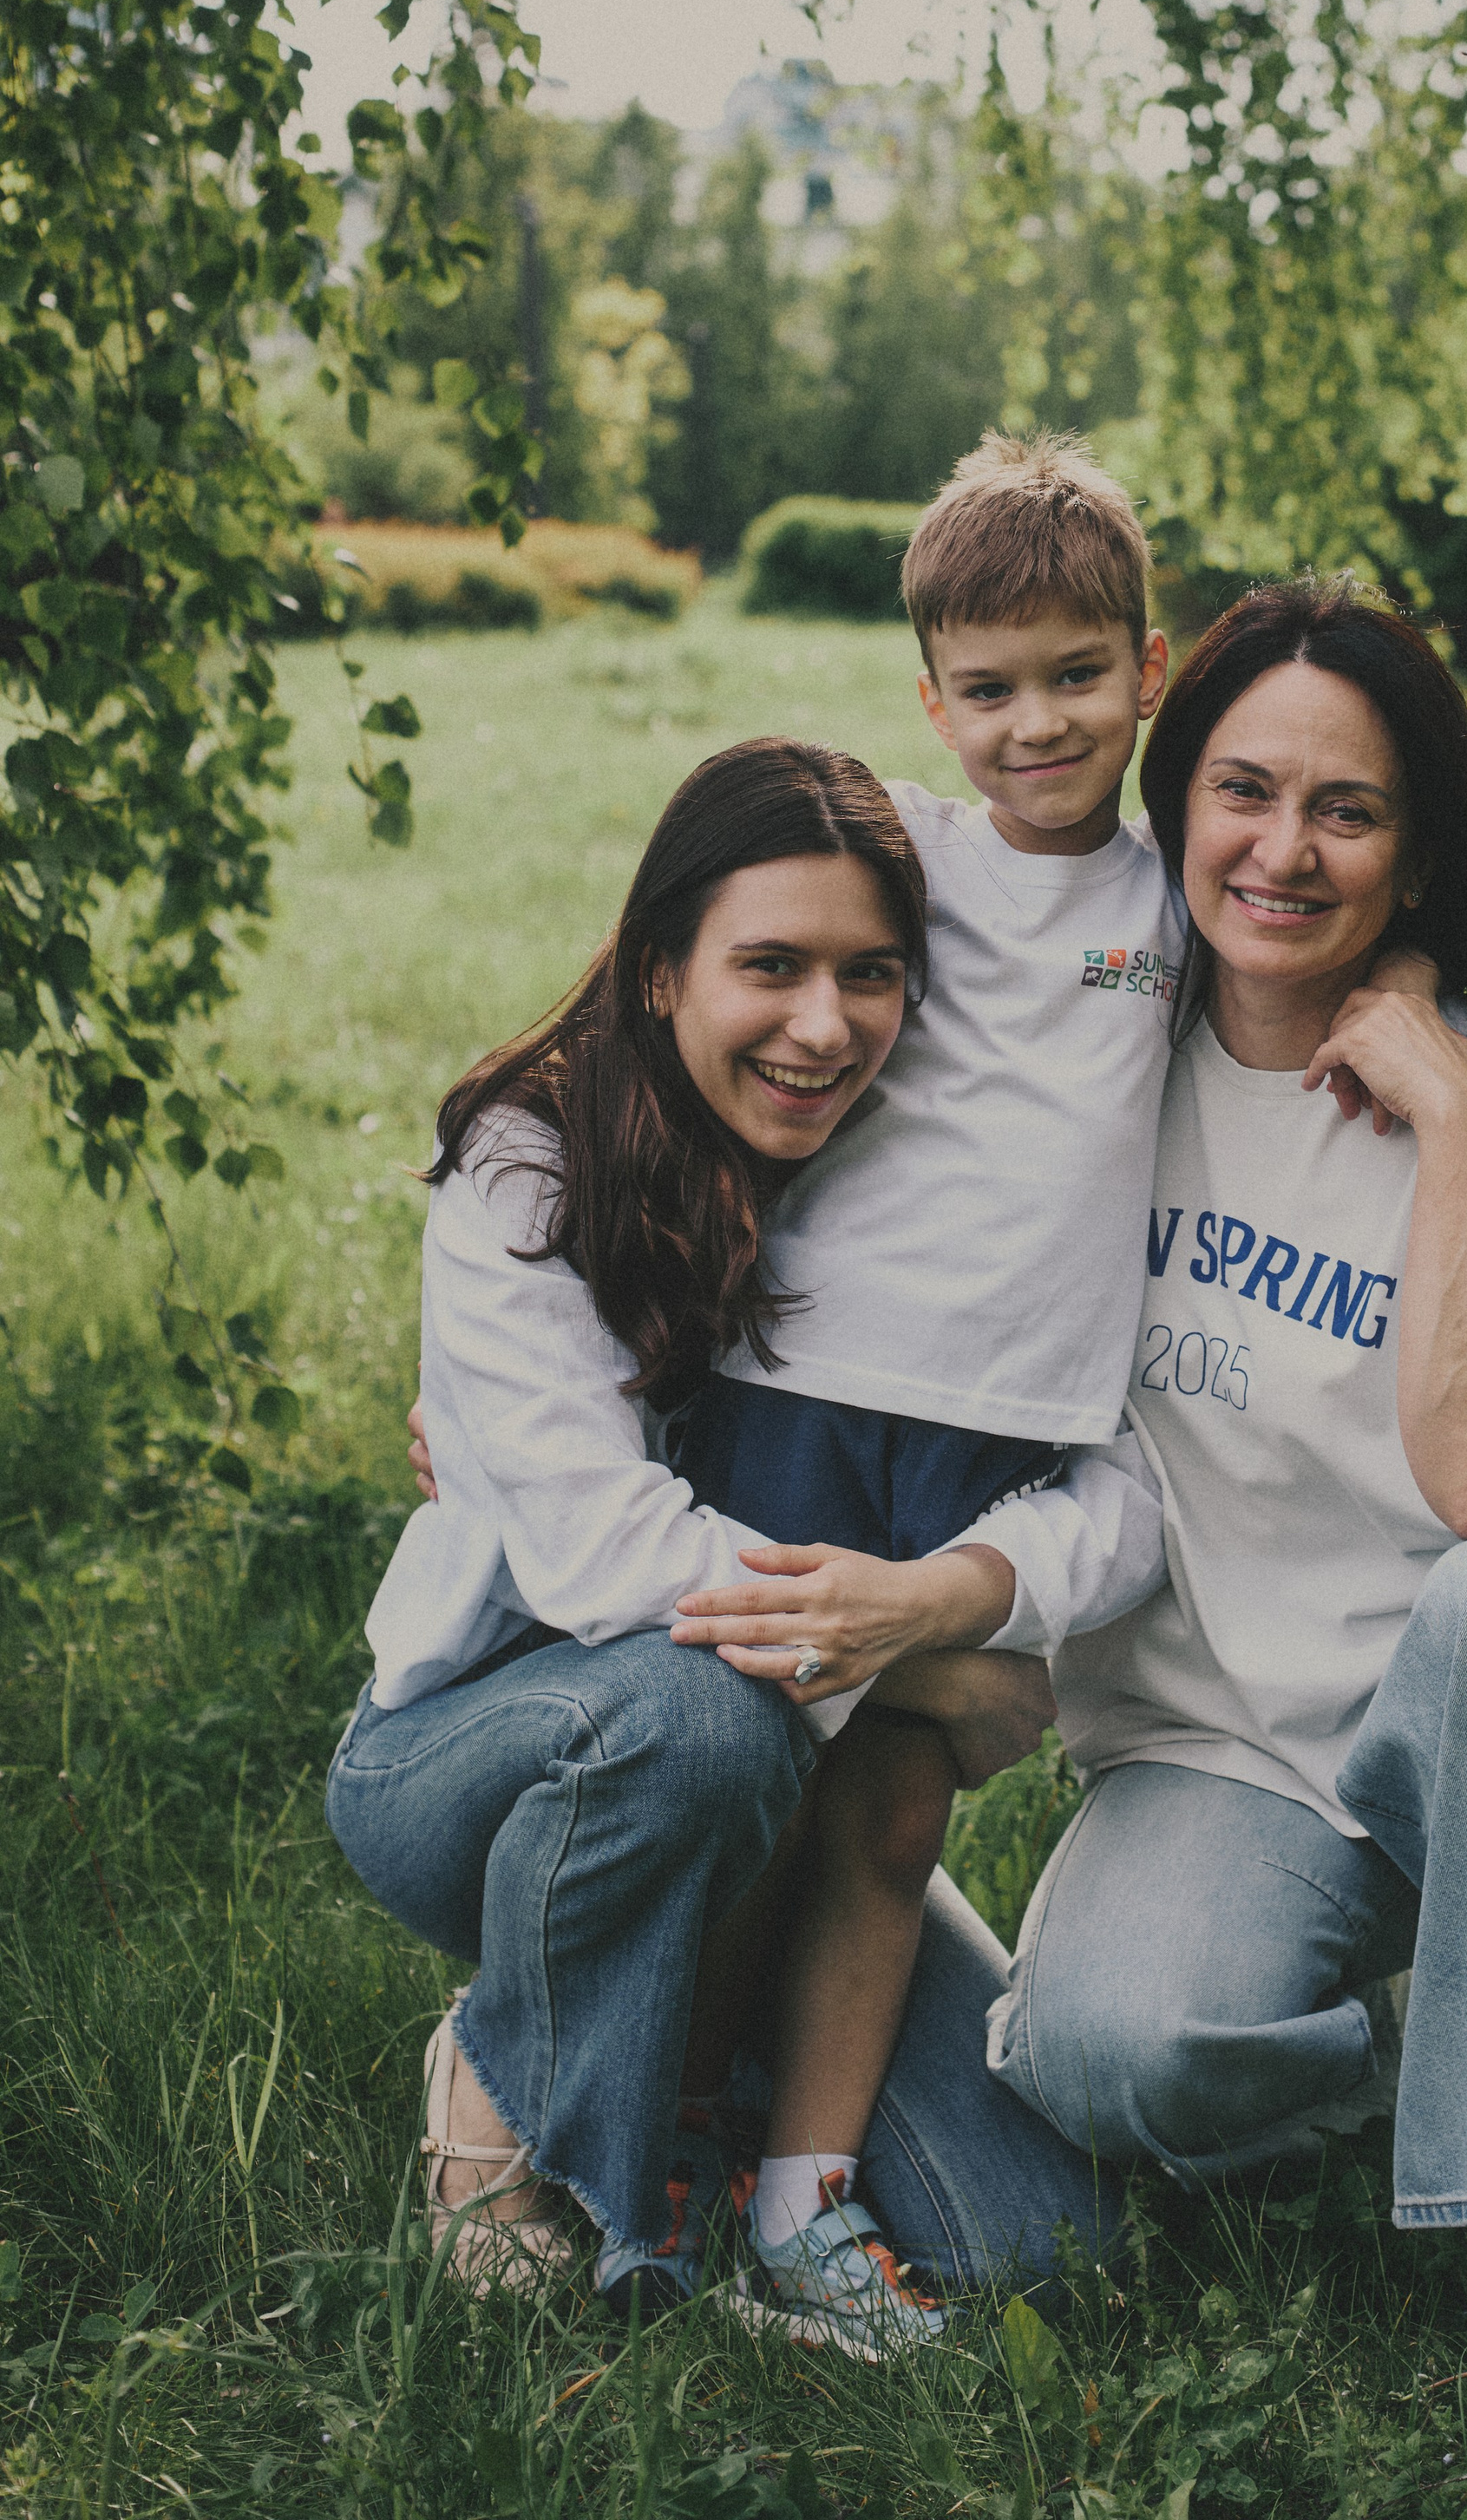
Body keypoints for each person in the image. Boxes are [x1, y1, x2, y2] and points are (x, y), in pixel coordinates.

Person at [970, 579, 1467, 2433]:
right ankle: (1465, 2038)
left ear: (1416, 852)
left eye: (1347, 810)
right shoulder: (1092, 1059)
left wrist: (1448, 1119)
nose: (1282, 851)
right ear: (1173, 806)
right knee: (1100, 2054)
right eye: (1242, 790)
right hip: (1229, 1734)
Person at [327, 738, 1134, 2329]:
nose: (823, 1027)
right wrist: (926, 1667)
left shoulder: (888, 1166)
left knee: (1041, 2233)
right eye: (770, 966)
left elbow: (1091, 1467)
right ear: (656, 971)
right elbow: (607, 1559)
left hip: (790, 1804)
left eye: (872, 974)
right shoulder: (528, 1165)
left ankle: (671, 2053)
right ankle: (506, 2096)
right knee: (704, 1714)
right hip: (490, 1763)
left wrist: (950, 1603)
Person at [655, 433, 1188, 2336]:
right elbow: (707, 991)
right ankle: (646, 2120)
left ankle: (802, 2208)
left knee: (885, 1811)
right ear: (928, 698)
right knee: (740, 1776)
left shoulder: (1179, 902)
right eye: (986, 685)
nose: (1031, 722)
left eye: (1073, 673)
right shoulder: (899, 845)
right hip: (801, 1388)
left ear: (1149, 663)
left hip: (994, 1443)